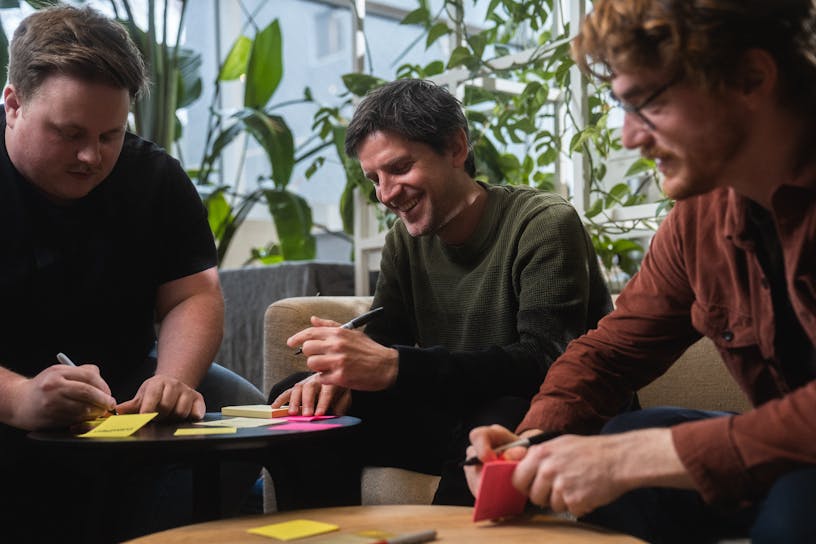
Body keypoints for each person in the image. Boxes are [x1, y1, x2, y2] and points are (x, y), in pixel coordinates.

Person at [466, 1, 816, 542]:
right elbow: (611, 352)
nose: (629, 137)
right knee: (629, 439)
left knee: (798, 507)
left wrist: (638, 456)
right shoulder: (697, 221)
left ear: (751, 77)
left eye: (645, 104)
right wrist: (532, 442)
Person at [268, 78, 613, 508]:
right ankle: (320, 537)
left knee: (499, 413)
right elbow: (385, 336)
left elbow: (544, 362)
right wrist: (341, 373)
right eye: (374, 178)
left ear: (455, 148)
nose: (386, 194)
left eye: (399, 169)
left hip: (543, 413)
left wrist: (395, 366)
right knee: (299, 398)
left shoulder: (543, 223)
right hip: (459, 411)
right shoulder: (405, 239)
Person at [0, 5, 264, 542]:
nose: (90, 156)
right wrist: (19, 399)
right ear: (13, 104)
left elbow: (193, 294)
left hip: (124, 385)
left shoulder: (153, 177)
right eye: (69, 132)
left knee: (248, 416)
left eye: (110, 135)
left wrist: (173, 379)